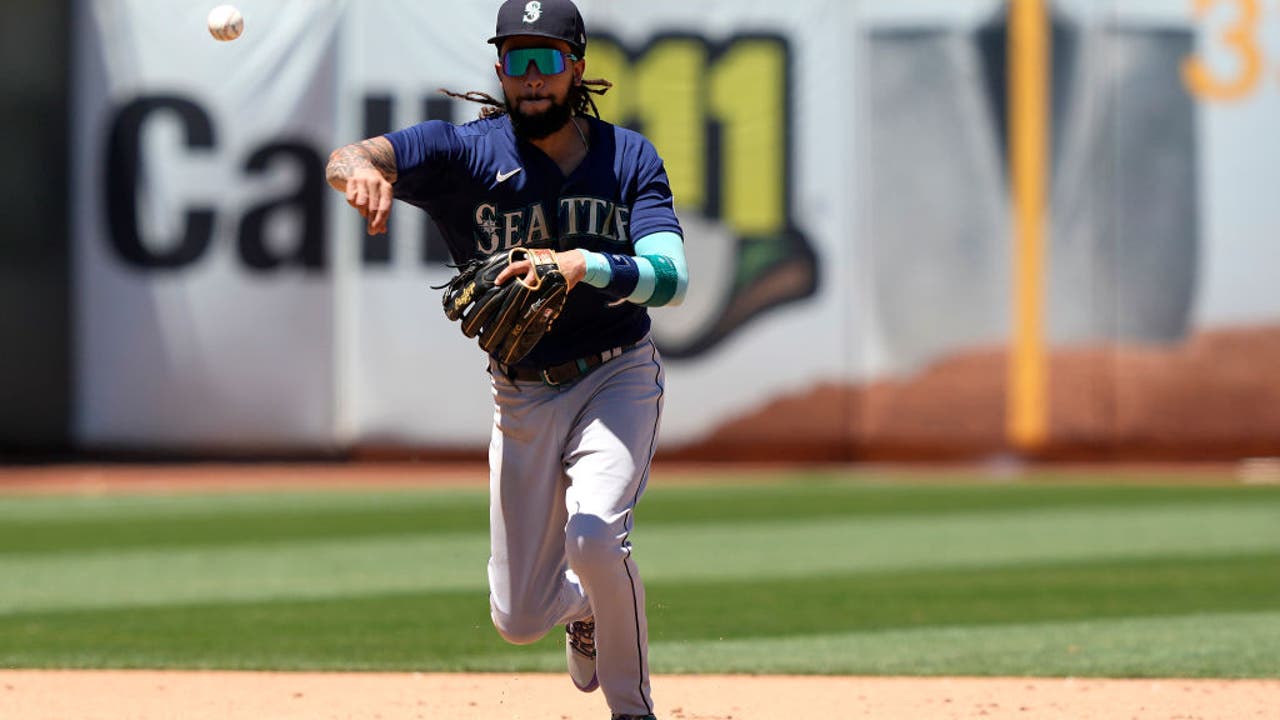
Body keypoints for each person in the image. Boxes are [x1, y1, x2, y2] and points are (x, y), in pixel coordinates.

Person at [324, 1, 687, 718]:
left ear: (576, 68)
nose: (530, 78)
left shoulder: (628, 159)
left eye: (546, 59)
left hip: (617, 373)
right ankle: (583, 606)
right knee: (518, 620)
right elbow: (354, 155)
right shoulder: (463, 153)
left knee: (592, 533)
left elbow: (671, 278)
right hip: (521, 394)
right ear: (499, 70)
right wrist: (357, 171)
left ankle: (631, 707)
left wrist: (583, 264)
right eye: (516, 60)